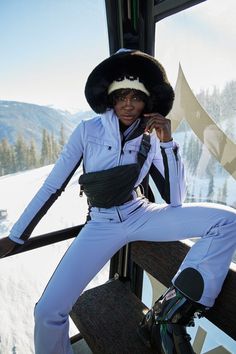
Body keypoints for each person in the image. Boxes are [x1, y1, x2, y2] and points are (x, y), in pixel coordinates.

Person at [0, 49, 235, 354]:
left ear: (146, 101)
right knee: (47, 311)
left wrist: (167, 142)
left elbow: (175, 199)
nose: (127, 103)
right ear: (110, 99)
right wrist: (17, 236)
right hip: (102, 224)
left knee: (227, 220)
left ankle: (169, 314)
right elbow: (52, 187)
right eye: (121, 95)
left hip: (141, 214)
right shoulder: (87, 132)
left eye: (135, 96)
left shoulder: (150, 136)